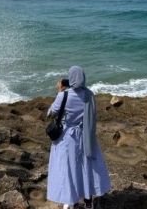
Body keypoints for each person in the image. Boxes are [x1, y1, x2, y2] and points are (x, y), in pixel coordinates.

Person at [47, 66, 111, 209]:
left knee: (70, 169)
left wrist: (59, 91)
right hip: (86, 136)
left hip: (68, 137)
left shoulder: (64, 95)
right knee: (86, 167)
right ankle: (88, 201)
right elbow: (93, 115)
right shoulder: (89, 95)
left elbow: (51, 113)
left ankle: (73, 201)